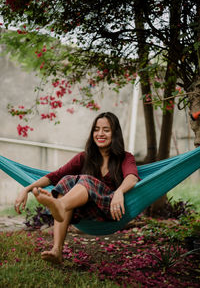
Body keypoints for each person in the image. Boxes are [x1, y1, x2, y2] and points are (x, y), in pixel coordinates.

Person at [14, 112, 140, 263]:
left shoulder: (125, 157)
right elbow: (54, 176)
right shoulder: (84, 157)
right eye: (96, 129)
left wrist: (119, 192)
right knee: (66, 180)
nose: (100, 133)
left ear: (115, 133)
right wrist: (26, 188)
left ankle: (60, 205)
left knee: (84, 179)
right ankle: (56, 250)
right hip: (85, 210)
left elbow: (132, 177)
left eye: (106, 130)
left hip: (110, 209)